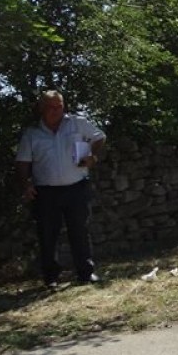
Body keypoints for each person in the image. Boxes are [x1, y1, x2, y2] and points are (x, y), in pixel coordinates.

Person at [14, 90, 107, 287]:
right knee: (47, 235)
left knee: (79, 231)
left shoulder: (77, 123)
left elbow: (99, 137)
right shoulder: (32, 134)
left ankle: (86, 273)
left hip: (76, 187)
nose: (56, 111)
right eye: (51, 107)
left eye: (59, 106)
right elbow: (22, 162)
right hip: (46, 191)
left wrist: (93, 156)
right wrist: (26, 184)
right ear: (41, 108)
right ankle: (51, 278)